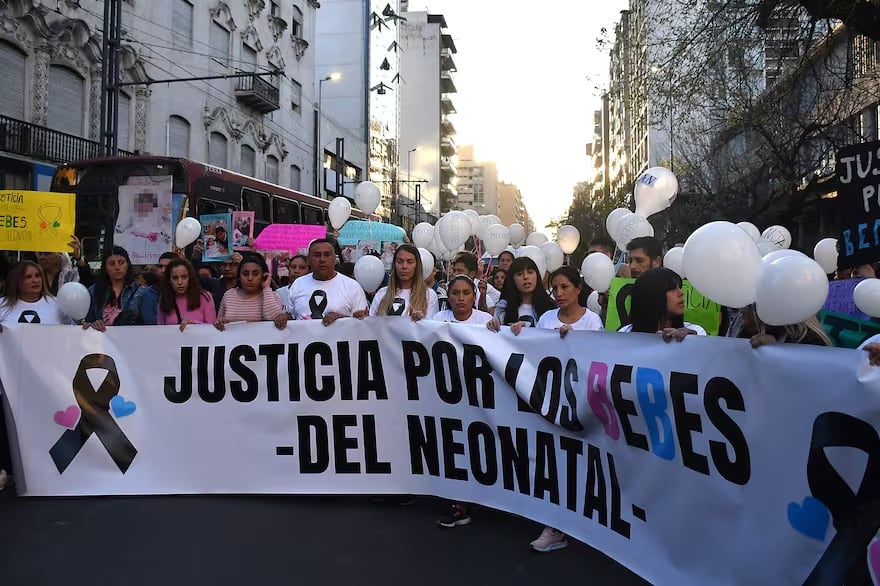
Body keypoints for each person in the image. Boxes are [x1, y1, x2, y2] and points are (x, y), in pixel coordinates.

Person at [525, 266, 603, 553]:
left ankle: (573, 522)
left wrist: (576, 343)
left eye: (564, 287)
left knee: (576, 464)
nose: (558, 294)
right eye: (554, 288)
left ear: (578, 289)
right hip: (548, 403)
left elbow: (597, 360)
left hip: (580, 406)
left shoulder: (592, 321)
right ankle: (554, 524)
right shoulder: (545, 318)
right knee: (552, 463)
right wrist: (518, 332)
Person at [285, 238, 368, 325]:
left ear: (334, 259)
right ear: (308, 260)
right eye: (317, 255)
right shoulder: (298, 284)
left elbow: (362, 325)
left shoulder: (352, 287)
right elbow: (291, 317)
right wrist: (283, 318)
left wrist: (342, 320)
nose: (322, 260)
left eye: (327, 255)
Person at [619, 268, 707, 340]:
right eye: (672, 289)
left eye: (679, 287)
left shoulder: (696, 332)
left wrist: (692, 340)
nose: (681, 293)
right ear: (651, 296)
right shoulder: (624, 334)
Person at [214, 253, 285, 330]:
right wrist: (221, 322)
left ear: (263, 276)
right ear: (239, 276)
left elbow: (273, 318)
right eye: (245, 274)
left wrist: (266, 288)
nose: (250, 278)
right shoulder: (229, 295)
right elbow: (219, 321)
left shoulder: (273, 296)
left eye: (255, 274)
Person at [83, 247, 147, 331]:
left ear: (128, 265)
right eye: (112, 264)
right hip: (100, 340)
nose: (117, 267)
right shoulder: (93, 291)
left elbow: (146, 322)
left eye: (121, 263)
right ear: (105, 268)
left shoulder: (140, 291)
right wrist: (92, 324)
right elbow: (86, 320)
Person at [487, 257, 556, 334]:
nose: (526, 277)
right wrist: (492, 325)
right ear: (512, 279)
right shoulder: (503, 307)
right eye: (519, 274)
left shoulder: (551, 307)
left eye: (530, 272)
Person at [369, 243, 439, 319]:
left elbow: (431, 328)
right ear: (394, 265)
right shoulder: (382, 293)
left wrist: (419, 321)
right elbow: (371, 326)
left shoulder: (429, 295)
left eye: (409, 262)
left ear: (417, 265)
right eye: (400, 261)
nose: (404, 266)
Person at [0, 261, 66, 328]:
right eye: (28, 277)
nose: (35, 280)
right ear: (16, 281)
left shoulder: (57, 303)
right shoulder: (2, 304)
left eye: (37, 276)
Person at [158, 258, 217, 331]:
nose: (180, 282)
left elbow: (212, 329)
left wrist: (194, 324)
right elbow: (160, 330)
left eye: (184, 277)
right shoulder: (164, 299)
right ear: (169, 280)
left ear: (190, 278)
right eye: (175, 278)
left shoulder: (204, 297)